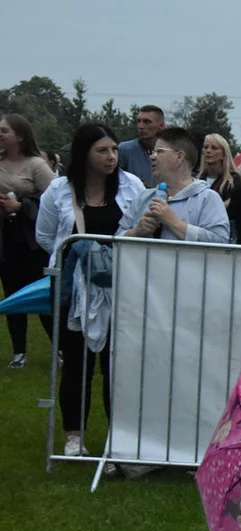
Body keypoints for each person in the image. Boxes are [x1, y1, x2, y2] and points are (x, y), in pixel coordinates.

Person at [36, 123, 144, 455]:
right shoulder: (58, 190)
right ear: (84, 154)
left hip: (121, 285)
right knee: (77, 362)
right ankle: (73, 435)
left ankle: (119, 435)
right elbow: (46, 236)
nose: (111, 156)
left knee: (118, 363)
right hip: (72, 288)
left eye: (114, 149)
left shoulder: (132, 186)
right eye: (102, 150)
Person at [0, 114, 55, 368]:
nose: (0, 134)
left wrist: (21, 205)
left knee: (42, 293)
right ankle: (19, 352)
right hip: (5, 237)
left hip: (31, 240)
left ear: (20, 136)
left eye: (5, 130)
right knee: (12, 294)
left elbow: (55, 199)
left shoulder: (36, 165)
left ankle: (61, 348)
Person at [117, 127, 230, 244]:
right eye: (153, 152)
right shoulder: (144, 197)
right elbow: (117, 239)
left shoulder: (208, 198)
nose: (152, 157)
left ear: (179, 157)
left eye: (159, 151)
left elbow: (220, 243)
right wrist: (136, 232)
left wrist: (174, 223)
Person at [118, 105, 165, 187]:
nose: (141, 126)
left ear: (161, 126)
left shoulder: (172, 151)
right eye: (138, 121)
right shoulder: (125, 150)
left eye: (147, 122)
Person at [197, 133, 241, 205]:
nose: (208, 151)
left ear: (223, 155)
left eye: (214, 148)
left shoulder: (233, 180)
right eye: (205, 147)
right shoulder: (196, 180)